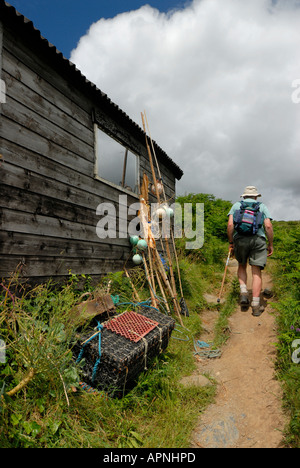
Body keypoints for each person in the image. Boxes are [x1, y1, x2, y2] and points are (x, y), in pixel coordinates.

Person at [227, 186, 274, 316]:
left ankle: (243, 293)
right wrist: (270, 244)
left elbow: (230, 225)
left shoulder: (236, 206)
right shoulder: (262, 206)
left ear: (244, 196)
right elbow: (268, 226)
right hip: (258, 240)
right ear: (255, 196)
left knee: (242, 265)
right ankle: (255, 304)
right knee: (256, 271)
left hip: (240, 239)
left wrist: (231, 242)